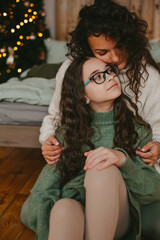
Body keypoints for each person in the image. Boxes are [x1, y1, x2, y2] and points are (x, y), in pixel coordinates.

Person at [39, 1, 160, 239]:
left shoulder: (148, 82)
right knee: (63, 208)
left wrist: (156, 146)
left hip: (123, 183)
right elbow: (55, 116)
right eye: (102, 53)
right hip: (79, 188)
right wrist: (48, 140)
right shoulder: (73, 72)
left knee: (100, 166)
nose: (114, 59)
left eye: (120, 47)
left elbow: (158, 128)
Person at [21, 57, 160, 240]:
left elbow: (153, 190)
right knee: (63, 207)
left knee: (100, 166)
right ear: (83, 96)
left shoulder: (137, 130)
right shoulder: (67, 134)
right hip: (78, 215)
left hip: (118, 216)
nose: (110, 77)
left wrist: (122, 160)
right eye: (97, 77)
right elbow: (43, 191)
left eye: (110, 71)